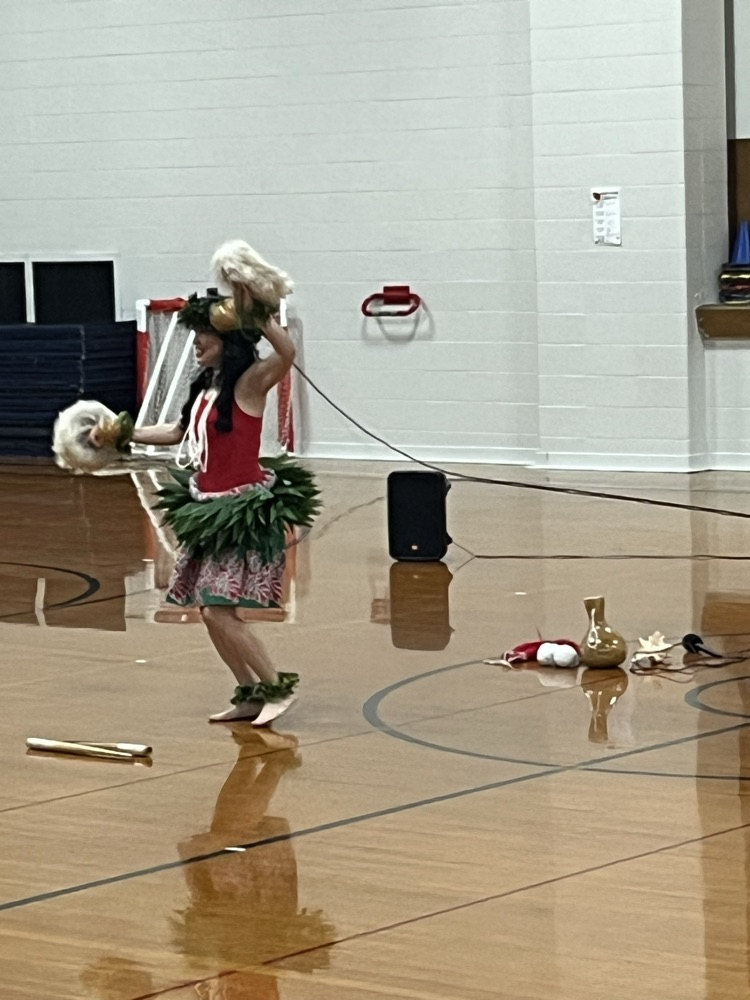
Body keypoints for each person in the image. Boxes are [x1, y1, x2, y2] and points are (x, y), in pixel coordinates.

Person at [92, 242, 320, 726]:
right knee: (208, 612)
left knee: (220, 613)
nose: (196, 344)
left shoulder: (250, 384)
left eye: (204, 337)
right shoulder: (208, 388)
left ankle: (275, 688)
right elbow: (174, 433)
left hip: (241, 511)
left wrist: (255, 310)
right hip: (207, 506)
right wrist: (121, 431)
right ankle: (251, 694)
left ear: (228, 342)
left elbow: (288, 351)